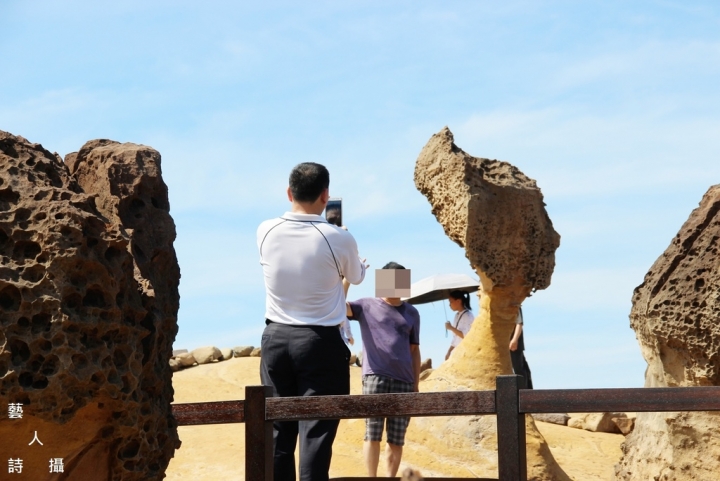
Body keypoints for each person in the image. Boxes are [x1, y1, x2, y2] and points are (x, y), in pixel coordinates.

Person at [257, 162, 367, 481]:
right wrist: (350, 251)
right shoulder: (339, 238)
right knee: (316, 433)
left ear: (289, 192)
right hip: (320, 342)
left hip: (275, 338)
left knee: (278, 430)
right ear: (325, 195)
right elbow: (356, 277)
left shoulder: (264, 230)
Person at [346, 262, 421, 478]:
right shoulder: (366, 305)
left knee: (396, 439)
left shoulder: (412, 312)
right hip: (374, 377)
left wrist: (416, 384)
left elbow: (414, 350)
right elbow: (338, 306)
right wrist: (347, 279)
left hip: (404, 381)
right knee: (373, 433)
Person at [444, 290, 475, 360]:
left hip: (465, 353)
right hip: (457, 352)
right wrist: (449, 351)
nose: (449, 305)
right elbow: (456, 338)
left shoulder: (468, 315)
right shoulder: (457, 315)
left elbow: (466, 336)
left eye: (451, 302)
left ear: (458, 301)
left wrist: (451, 328)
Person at [509, 307, 533, 389]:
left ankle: (524, 392)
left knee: (519, 369)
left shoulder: (515, 305)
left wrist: (515, 339)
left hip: (513, 343)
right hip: (503, 343)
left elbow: (519, 323)